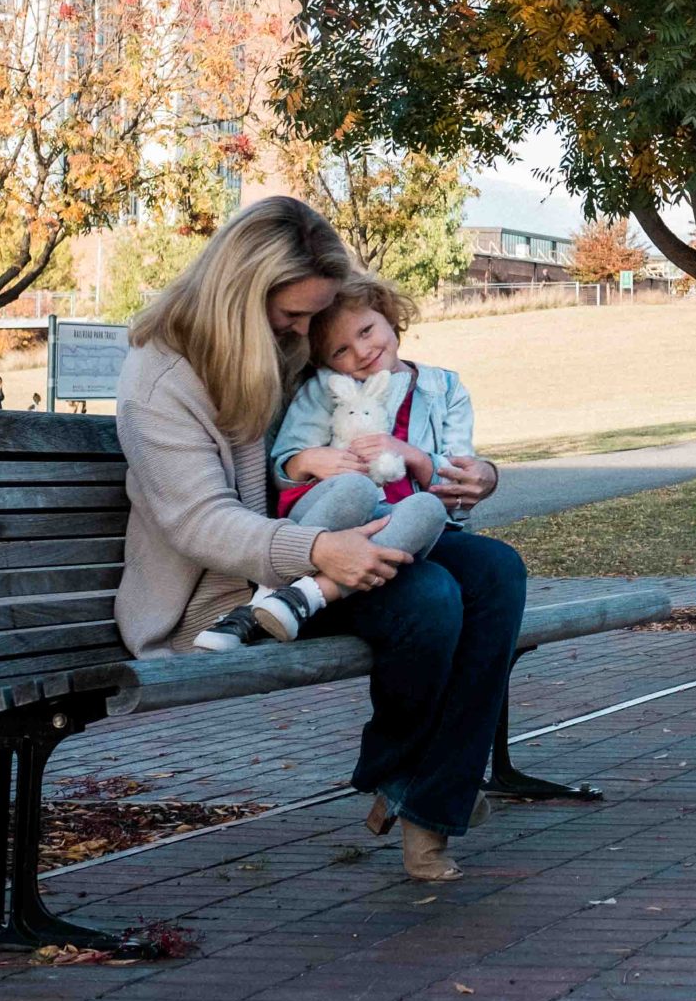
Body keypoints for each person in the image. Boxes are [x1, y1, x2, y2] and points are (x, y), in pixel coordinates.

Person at [114, 197, 521, 883]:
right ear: (242, 292)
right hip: (241, 590)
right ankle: (407, 777)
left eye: (311, 318)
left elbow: (395, 421)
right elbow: (199, 522)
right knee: (430, 596)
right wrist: (318, 551)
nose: (304, 334)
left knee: (495, 570)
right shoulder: (161, 379)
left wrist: (477, 475)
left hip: (326, 538)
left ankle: (426, 792)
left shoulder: (280, 339)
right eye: (292, 316)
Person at [244, 275, 472, 644]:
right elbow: (284, 462)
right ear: (326, 364)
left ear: (387, 314)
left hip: (399, 528)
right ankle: (272, 593)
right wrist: (311, 460)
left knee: (469, 542)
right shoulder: (325, 389)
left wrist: (411, 455)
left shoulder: (444, 388)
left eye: (366, 331)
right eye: (340, 351)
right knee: (357, 489)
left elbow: (459, 493)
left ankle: (306, 596)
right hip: (334, 523)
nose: (361, 352)